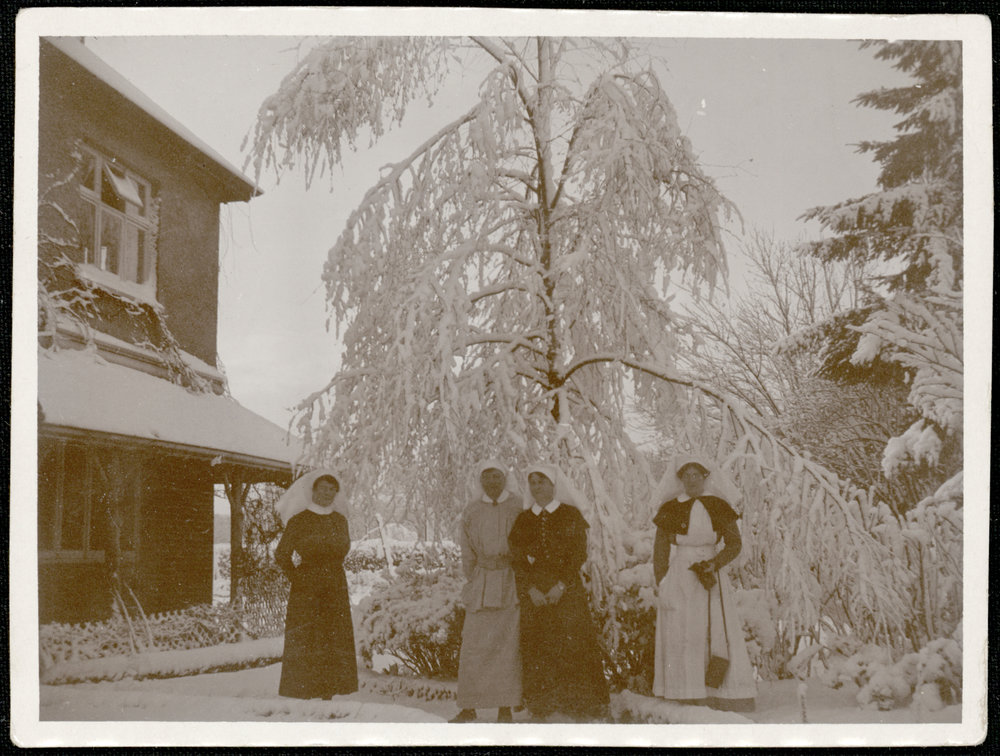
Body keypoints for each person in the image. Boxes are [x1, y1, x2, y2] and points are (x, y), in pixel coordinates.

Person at [651, 455, 756, 711]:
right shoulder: (670, 507)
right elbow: (661, 546)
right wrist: (662, 579)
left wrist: (715, 563)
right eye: (686, 475)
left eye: (696, 475)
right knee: (683, 631)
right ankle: (685, 691)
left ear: (705, 477)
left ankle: (716, 692)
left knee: (715, 631)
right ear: (680, 479)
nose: (691, 480)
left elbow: (734, 543)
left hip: (711, 574)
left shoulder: (718, 505)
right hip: (680, 576)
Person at [508, 463, 609, 722]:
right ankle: (543, 706)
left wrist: (561, 586)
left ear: (554, 484)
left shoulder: (570, 515)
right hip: (535, 594)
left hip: (567, 589)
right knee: (539, 645)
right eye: (532, 481)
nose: (537, 485)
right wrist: (530, 589)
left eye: (542, 480)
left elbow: (578, 553)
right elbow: (518, 559)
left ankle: (582, 706)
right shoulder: (523, 520)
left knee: (573, 643)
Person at [273, 470, 358, 699]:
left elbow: (343, 549)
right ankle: (305, 689)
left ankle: (331, 689)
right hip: (307, 588)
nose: (327, 493)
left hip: (335, 585)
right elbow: (282, 554)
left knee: (332, 635)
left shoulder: (340, 520)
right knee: (309, 635)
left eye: (332, 489)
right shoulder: (299, 520)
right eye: (323, 488)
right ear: (313, 491)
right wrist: (298, 578)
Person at [450, 460, 523, 723]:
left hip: (509, 582)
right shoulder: (472, 510)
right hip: (481, 582)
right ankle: (470, 706)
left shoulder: (518, 506)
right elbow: (466, 548)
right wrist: (475, 577)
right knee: (474, 646)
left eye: (497, 476)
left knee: (507, 647)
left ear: (505, 478)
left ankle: (505, 707)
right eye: (487, 477)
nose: (492, 482)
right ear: (480, 481)